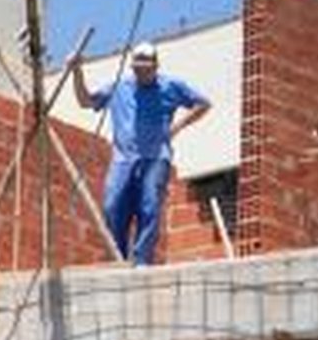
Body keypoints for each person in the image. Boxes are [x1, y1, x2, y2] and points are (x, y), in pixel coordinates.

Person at [70, 43, 213, 265]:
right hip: (123, 160)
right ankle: (118, 256)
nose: (142, 73)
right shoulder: (119, 86)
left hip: (155, 158)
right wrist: (77, 71)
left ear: (156, 66)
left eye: (146, 69)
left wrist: (179, 126)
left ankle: (141, 259)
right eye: (138, 69)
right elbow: (85, 101)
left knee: (149, 205)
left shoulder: (170, 86)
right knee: (113, 205)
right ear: (132, 67)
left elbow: (203, 103)